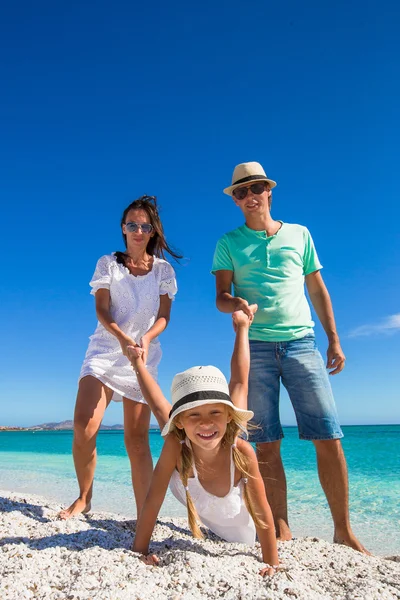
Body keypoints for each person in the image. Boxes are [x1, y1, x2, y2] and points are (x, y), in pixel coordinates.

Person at [212, 161, 368, 553]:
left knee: (328, 437)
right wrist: (238, 304)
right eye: (241, 192)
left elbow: (317, 289)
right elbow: (221, 296)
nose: (250, 197)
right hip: (257, 349)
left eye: (256, 189)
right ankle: (281, 527)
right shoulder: (228, 242)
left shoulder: (300, 234)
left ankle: (343, 530)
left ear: (269, 191)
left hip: (302, 344)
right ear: (235, 200)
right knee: (266, 444)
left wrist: (334, 339)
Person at [128, 307, 281, 577]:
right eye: (194, 415)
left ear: (227, 415)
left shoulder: (241, 450)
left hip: (242, 535)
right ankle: (141, 369)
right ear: (182, 421)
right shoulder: (177, 440)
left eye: (215, 412)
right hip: (186, 451)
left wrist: (272, 564)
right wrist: (139, 551)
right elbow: (153, 499)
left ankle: (243, 327)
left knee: (239, 388)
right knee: (167, 416)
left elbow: (263, 513)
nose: (205, 423)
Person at [59, 195, 180, 520]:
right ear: (123, 229)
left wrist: (145, 339)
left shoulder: (163, 271)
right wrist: (124, 338)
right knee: (84, 428)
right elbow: (101, 309)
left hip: (141, 355)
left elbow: (164, 316)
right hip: (105, 350)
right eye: (132, 225)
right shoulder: (108, 264)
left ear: (152, 231)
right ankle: (85, 496)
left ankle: (144, 514)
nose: (138, 230)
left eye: (145, 225)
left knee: (137, 441)